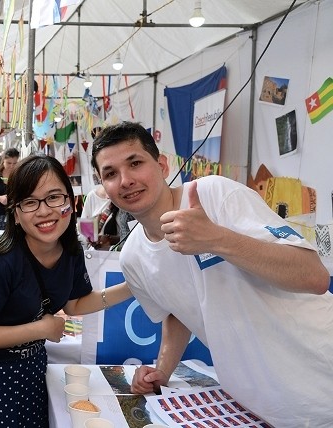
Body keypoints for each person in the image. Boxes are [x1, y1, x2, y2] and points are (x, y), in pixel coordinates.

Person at [90, 122, 333, 427]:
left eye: (135, 163)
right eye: (111, 174)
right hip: (261, 404)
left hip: (323, 377)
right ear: (103, 186)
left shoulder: (213, 194)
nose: (126, 180)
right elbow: (177, 310)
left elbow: (314, 276)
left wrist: (216, 239)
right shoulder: (132, 256)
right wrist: (161, 371)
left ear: (162, 165)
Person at [0, 153, 132, 427]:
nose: (44, 211)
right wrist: (42, 329)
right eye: (30, 202)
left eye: (54, 197)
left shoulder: (72, 251)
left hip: (35, 374)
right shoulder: (0, 265)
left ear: (71, 203)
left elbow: (75, 304)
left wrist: (132, 287)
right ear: (15, 214)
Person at [78, 184, 134, 250]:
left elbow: (131, 238)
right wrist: (91, 233)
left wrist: (110, 240)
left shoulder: (126, 200)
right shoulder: (92, 196)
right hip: (95, 254)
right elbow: (83, 235)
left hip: (116, 253)